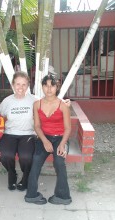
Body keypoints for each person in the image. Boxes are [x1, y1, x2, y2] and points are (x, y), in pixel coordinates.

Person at [24, 74, 72, 205]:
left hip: (61, 138)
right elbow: (37, 126)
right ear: (42, 87)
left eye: (52, 86)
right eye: (46, 85)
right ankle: (31, 195)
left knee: (59, 162)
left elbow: (68, 128)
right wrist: (45, 141)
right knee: (36, 160)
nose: (49, 89)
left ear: (57, 87)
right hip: (43, 137)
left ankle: (63, 196)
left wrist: (62, 145)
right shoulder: (37, 104)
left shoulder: (63, 105)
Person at [0, 71, 37, 191]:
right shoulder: (7, 101)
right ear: (13, 85)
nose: (21, 87)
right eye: (18, 84)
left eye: (24, 84)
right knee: (6, 156)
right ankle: (12, 174)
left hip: (28, 134)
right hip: (9, 133)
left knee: (26, 157)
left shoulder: (34, 100)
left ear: (28, 86)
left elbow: (50, 103)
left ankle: (26, 177)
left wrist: (64, 103)